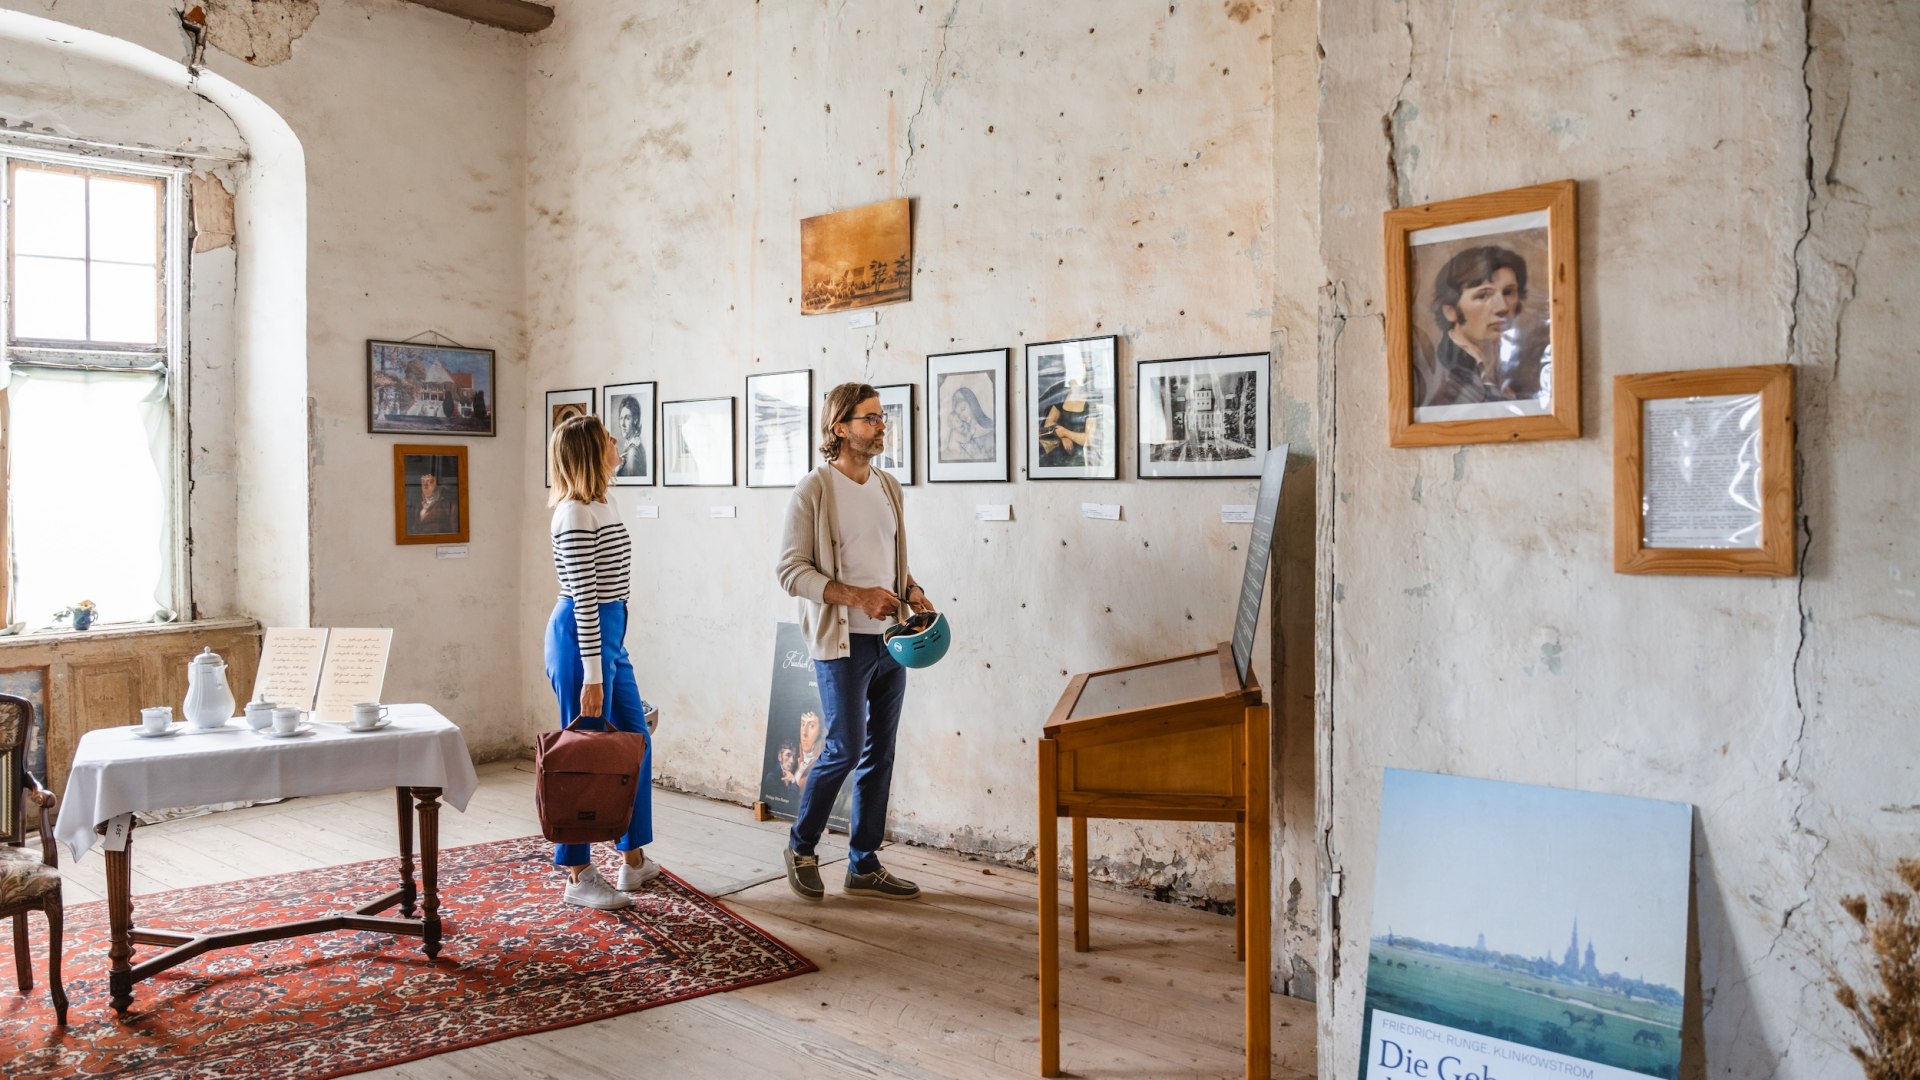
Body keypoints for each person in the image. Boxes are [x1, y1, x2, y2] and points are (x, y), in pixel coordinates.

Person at [775, 382, 936, 901]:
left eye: (882, 417)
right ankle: (801, 847)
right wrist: (856, 597)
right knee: (844, 748)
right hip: (842, 644)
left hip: (892, 641)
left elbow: (892, 562)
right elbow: (790, 572)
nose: (881, 425)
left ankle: (864, 863)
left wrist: (912, 589)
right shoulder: (813, 490)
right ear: (840, 427)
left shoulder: (888, 487)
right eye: (870, 418)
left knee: (880, 753)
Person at [546, 413, 660, 911]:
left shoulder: (602, 502)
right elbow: (585, 600)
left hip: (609, 636)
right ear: (592, 451)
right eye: (609, 438)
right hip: (580, 637)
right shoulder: (573, 514)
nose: (617, 442)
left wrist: (609, 658)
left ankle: (632, 859)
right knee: (582, 758)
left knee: (636, 742)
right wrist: (593, 675)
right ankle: (577, 874)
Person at [1415, 245, 1545, 408]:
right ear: (1451, 311)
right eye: (1483, 295)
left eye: (1508, 292)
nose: (1502, 307)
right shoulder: (1439, 373)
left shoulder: (1523, 364)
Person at [1039, 379, 1095, 467]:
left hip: (1080, 453)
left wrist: (1065, 432)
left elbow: (1089, 439)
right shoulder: (1062, 396)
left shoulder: (1091, 402)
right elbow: (1048, 423)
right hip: (1060, 446)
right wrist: (1063, 437)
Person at [939, 384, 994, 463]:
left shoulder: (989, 430)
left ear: (973, 404)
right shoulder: (961, 431)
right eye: (958, 414)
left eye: (963, 409)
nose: (962, 416)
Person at [615, 395, 649, 479]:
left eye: (627, 418)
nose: (622, 424)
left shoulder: (632, 452)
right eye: (621, 418)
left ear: (635, 420)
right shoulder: (631, 447)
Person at [414, 469, 457, 534]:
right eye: (423, 482)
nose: (425, 485)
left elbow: (455, 532)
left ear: (437, 485)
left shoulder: (449, 506)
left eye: (430, 482)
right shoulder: (418, 506)